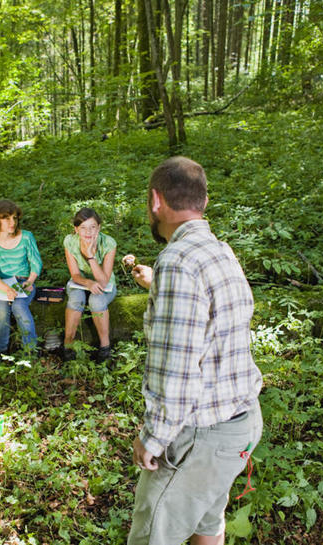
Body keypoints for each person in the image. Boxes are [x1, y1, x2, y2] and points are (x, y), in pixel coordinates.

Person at [126, 157, 263, 545]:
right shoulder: (219, 251)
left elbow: (178, 372)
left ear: (156, 200)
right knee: (208, 524)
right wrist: (159, 284)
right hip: (242, 424)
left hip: (202, 437)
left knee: (153, 537)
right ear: (202, 201)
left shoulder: (178, 262)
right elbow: (211, 319)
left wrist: (152, 437)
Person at [0, 199, 43, 355]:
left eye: (14, 218)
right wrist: (6, 289)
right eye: (6, 218)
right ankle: (0, 351)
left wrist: (30, 281)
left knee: (18, 306)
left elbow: (36, 263)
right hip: (1, 284)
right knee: (1, 309)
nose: (12, 222)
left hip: (23, 281)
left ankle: (32, 350)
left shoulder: (26, 237)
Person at [61, 207, 117, 363]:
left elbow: (104, 281)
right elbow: (75, 274)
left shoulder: (108, 243)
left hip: (105, 285)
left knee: (96, 300)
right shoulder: (70, 242)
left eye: (93, 227)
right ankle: (68, 344)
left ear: (98, 227)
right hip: (81, 282)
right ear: (76, 229)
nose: (88, 232)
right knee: (75, 299)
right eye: (83, 227)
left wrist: (90, 256)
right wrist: (88, 282)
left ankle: (105, 348)